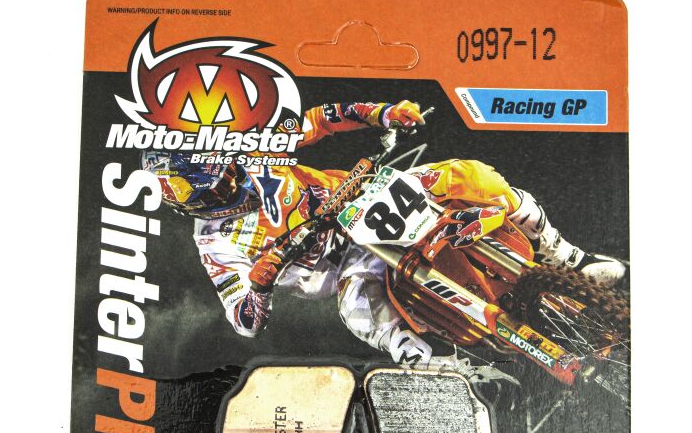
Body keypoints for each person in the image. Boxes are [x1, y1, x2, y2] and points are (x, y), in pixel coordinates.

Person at [144, 100, 625, 365]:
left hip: (367, 194)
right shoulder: (215, 244)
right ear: (185, 202)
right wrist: (261, 281)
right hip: (346, 260)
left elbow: (318, 120)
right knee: (358, 309)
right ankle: (431, 368)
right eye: (211, 189)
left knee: (472, 176)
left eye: (227, 171)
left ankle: (569, 258)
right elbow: (244, 321)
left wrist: (382, 113)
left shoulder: (254, 150)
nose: (231, 185)